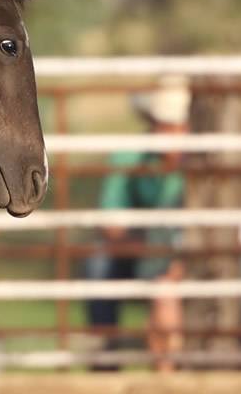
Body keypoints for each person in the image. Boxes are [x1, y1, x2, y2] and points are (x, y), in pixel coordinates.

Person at [83, 76, 189, 371]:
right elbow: (109, 220)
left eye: (174, 123)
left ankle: (170, 369)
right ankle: (107, 359)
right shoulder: (130, 156)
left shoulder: (202, 158)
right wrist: (150, 252)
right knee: (98, 264)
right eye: (162, 122)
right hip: (141, 249)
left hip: (188, 254)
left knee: (167, 285)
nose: (167, 131)